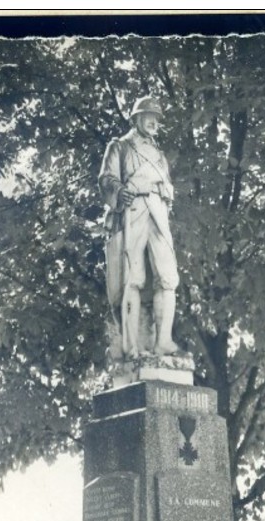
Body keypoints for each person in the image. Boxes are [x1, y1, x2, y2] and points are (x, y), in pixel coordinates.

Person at [99, 96, 180, 359]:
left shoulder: (159, 155)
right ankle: (131, 347)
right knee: (132, 278)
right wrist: (119, 191)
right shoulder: (120, 147)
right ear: (135, 119)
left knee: (167, 277)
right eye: (149, 116)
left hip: (158, 210)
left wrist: (167, 193)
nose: (155, 122)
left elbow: (167, 184)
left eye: (157, 117)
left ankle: (163, 342)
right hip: (134, 210)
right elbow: (107, 178)